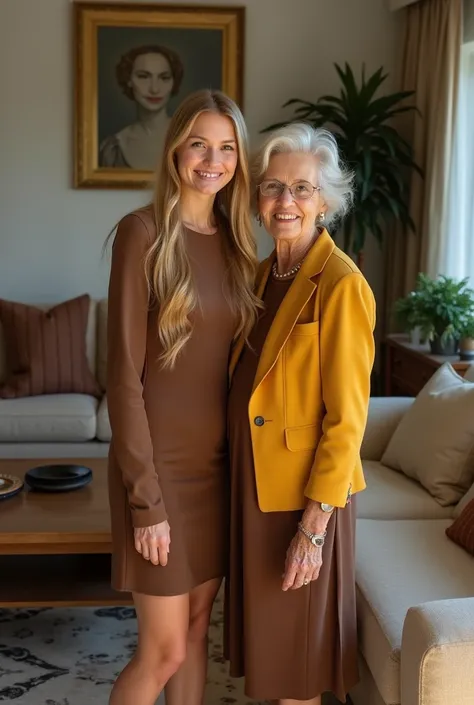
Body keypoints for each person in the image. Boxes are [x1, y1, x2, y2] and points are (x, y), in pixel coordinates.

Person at [106, 89, 259, 705]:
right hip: (159, 472)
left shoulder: (239, 243)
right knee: (163, 651)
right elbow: (122, 378)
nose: (212, 160)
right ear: (176, 148)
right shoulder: (140, 233)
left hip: (217, 471)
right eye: (200, 143)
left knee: (197, 634)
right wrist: (146, 501)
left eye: (226, 148)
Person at [225, 123, 376, 705]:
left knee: (298, 674)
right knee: (274, 662)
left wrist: (312, 533)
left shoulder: (339, 284)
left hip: (301, 506)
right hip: (258, 493)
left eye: (302, 189)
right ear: (256, 197)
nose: (285, 201)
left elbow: (347, 422)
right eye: (272, 187)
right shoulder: (266, 275)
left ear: (326, 202)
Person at [100, 45, 184, 170]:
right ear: (129, 80)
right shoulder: (113, 148)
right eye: (143, 76)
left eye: (164, 78)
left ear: (173, 82)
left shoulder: (188, 137)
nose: (154, 89)